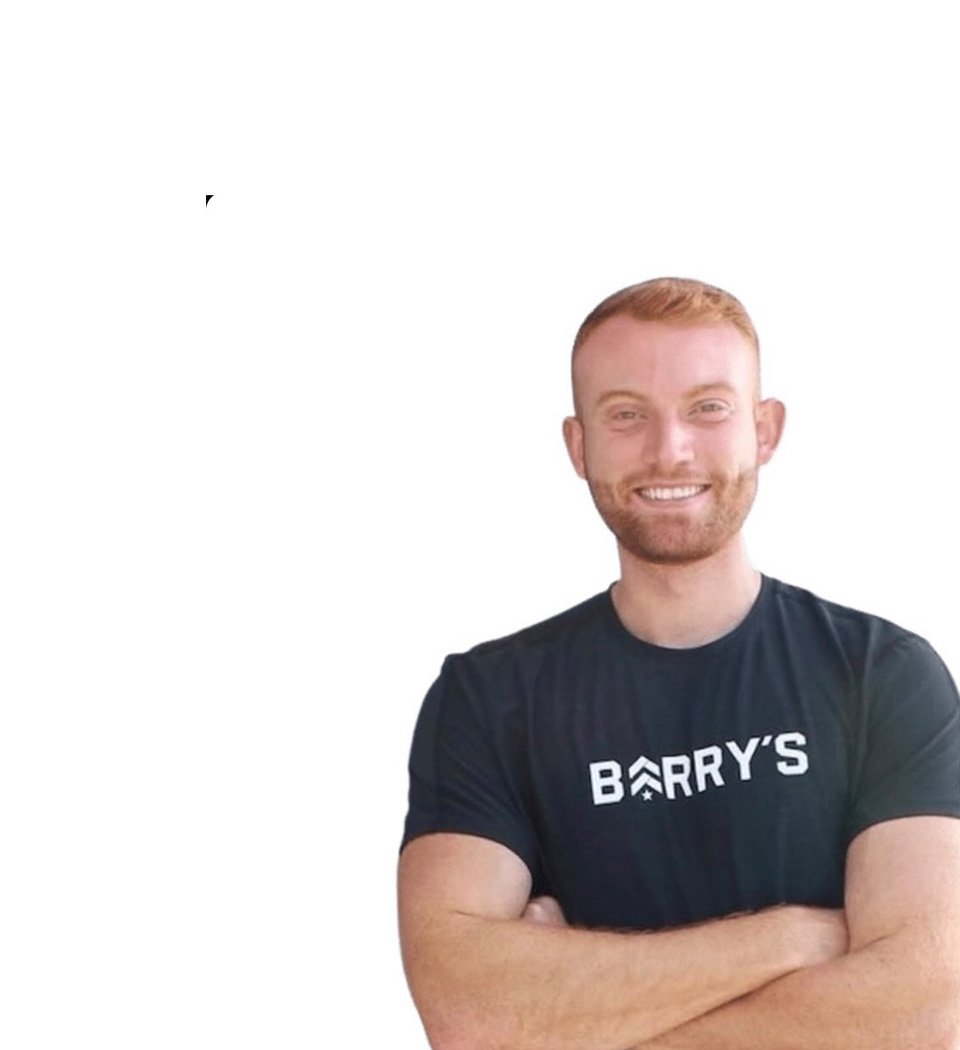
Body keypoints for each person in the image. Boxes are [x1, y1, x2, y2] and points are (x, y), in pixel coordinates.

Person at [397, 277, 960, 1050]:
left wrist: (571, 1020)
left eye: (709, 408)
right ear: (578, 443)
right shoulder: (490, 699)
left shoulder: (883, 676)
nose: (671, 449)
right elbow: (468, 1015)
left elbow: (920, 1013)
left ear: (765, 430)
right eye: (627, 415)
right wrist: (792, 939)